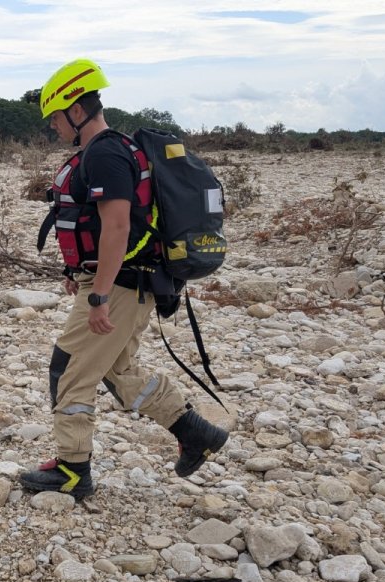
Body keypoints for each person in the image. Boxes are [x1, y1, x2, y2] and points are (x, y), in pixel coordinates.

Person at [19, 59, 229, 498]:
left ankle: (73, 470)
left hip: (119, 287)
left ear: (77, 110)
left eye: (55, 117)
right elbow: (102, 225)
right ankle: (195, 432)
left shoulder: (106, 154)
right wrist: (80, 272)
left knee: (70, 370)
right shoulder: (109, 151)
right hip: (126, 282)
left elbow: (116, 226)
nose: (53, 126)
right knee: (118, 371)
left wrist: (98, 295)